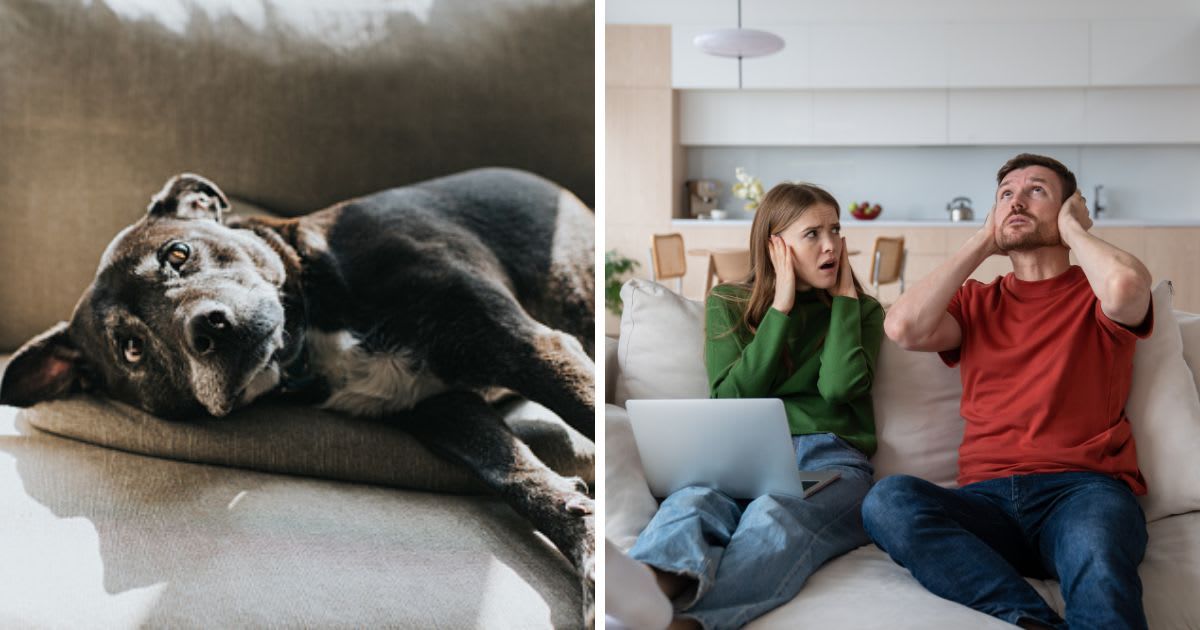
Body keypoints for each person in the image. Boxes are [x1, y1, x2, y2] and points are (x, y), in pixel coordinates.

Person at [862, 153, 1153, 630]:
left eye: (1036, 190)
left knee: (1095, 547)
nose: (1016, 201)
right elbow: (903, 327)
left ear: (1068, 209)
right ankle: (1032, 620)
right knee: (887, 501)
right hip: (987, 501)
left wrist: (1076, 231)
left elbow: (1125, 289)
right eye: (1005, 195)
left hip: (1082, 494)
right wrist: (982, 238)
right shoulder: (977, 301)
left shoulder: (1095, 294)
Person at [627, 182, 885, 629]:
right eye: (813, 234)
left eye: (835, 230)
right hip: (741, 454)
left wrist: (844, 300)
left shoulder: (863, 311)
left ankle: (688, 624)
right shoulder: (728, 302)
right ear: (776, 246)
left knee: (774, 515)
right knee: (692, 501)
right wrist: (780, 308)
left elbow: (839, 389)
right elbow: (730, 400)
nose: (831, 246)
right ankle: (635, 597)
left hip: (832, 459)